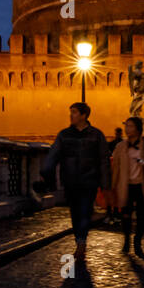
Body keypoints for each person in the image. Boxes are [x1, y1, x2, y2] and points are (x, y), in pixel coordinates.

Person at [39, 102, 110, 262]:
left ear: (84, 115)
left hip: (89, 180)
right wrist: (45, 171)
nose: (71, 115)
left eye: (75, 112)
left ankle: (81, 242)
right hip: (70, 181)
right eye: (71, 112)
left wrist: (105, 184)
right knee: (75, 213)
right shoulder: (64, 135)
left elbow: (104, 160)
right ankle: (79, 239)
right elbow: (53, 155)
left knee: (85, 211)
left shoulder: (96, 135)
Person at [110, 117, 144, 255]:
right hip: (126, 186)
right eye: (126, 126)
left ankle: (137, 241)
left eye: (130, 126)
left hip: (141, 185)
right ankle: (126, 240)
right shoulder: (120, 147)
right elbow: (115, 167)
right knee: (125, 215)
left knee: (142, 216)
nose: (127, 129)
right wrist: (112, 186)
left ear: (137, 128)